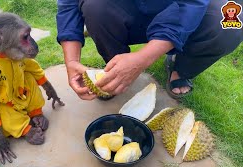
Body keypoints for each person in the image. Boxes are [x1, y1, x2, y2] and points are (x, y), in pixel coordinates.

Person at [56, 0, 243, 100]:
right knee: (95, 6)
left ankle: (180, 69)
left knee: (231, 22)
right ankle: (114, 71)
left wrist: (144, 57)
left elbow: (192, 3)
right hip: (129, 8)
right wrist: (71, 62)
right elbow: (69, 4)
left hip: (184, 8)